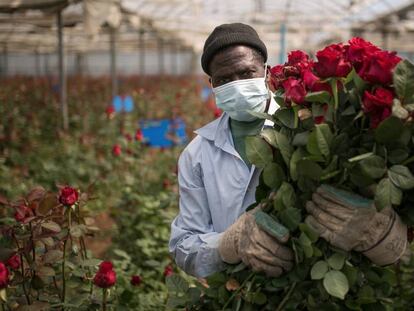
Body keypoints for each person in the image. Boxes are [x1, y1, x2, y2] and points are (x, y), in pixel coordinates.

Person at [169, 23, 409, 279]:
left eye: (246, 72)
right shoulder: (197, 154)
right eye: (224, 80)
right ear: (212, 84)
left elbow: (396, 249)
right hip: (238, 293)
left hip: (320, 288)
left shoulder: (311, 125)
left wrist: (378, 233)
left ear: (266, 72)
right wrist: (229, 244)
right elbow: (185, 246)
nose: (236, 84)